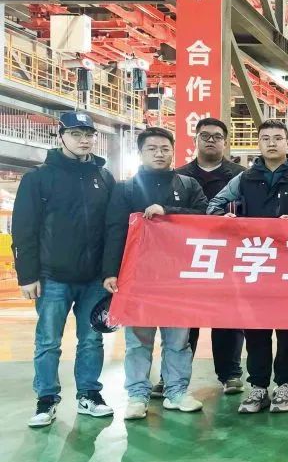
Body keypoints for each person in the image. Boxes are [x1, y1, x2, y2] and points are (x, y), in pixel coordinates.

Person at [207, 119, 288, 414]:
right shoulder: (245, 178)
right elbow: (214, 206)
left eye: (277, 138)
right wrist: (227, 218)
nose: (271, 143)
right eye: (265, 138)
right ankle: (258, 385)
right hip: (256, 265)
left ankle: (285, 384)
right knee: (256, 328)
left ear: (287, 143)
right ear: (259, 143)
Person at [15, 111, 116, 427]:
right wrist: (28, 275)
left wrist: (110, 272)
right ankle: (46, 399)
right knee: (48, 341)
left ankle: (89, 394)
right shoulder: (38, 178)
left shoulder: (104, 178)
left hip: (94, 279)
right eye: (76, 134)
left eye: (88, 134)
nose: (84, 140)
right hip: (53, 277)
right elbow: (24, 229)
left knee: (92, 340)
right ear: (61, 136)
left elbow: (112, 229)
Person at [102, 127, 208, 420]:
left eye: (164, 148)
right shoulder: (125, 189)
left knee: (178, 340)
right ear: (140, 153)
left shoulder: (188, 185)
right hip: (138, 277)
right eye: (152, 148)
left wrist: (169, 211)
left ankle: (176, 392)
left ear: (173, 151)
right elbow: (114, 230)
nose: (159, 153)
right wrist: (110, 271)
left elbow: (205, 217)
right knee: (138, 340)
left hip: (178, 276)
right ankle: (137, 396)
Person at [176, 117, 245, 394]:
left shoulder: (241, 176)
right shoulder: (178, 176)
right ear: (195, 140)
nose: (211, 140)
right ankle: (174, 374)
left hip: (229, 257)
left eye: (217, 136)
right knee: (184, 320)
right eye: (205, 136)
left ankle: (230, 373)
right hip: (189, 258)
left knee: (228, 317)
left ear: (225, 142)